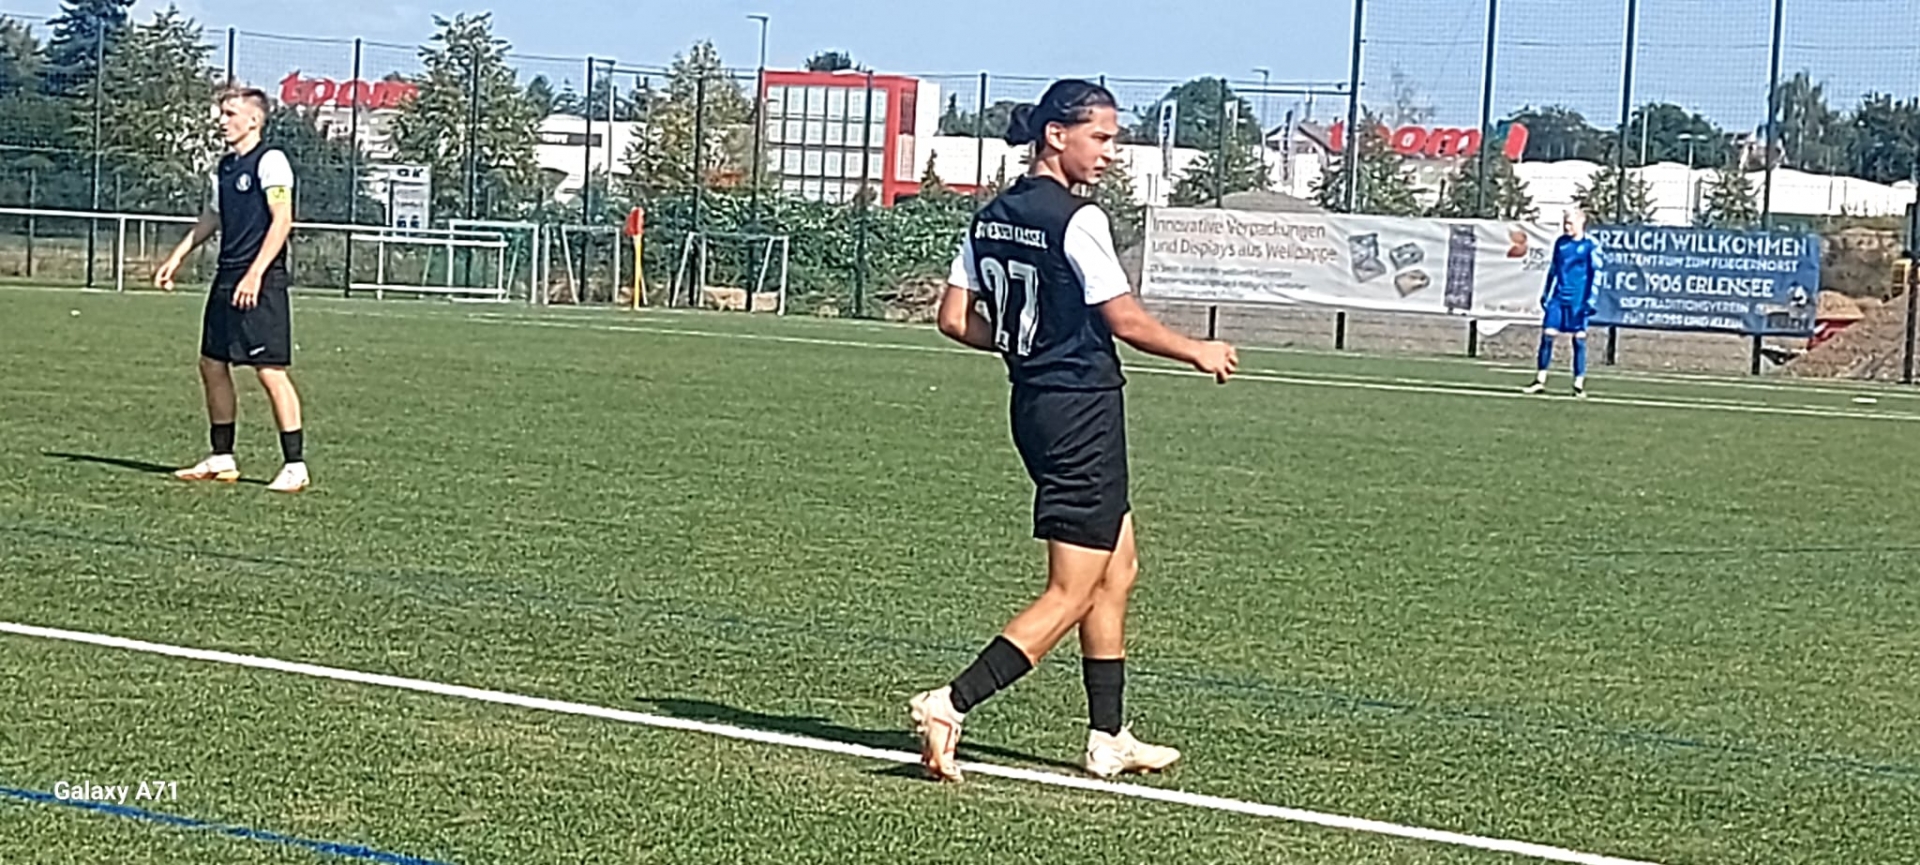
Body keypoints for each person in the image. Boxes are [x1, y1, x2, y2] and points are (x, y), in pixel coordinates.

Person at [909, 79, 1239, 783]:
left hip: (1035, 407)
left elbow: (953, 319)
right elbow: (1125, 319)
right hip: (1081, 412)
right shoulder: (1078, 218)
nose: (1110, 152)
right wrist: (1197, 349)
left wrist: (1023, 347)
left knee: (1117, 569)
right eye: (1101, 137)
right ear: (1056, 135)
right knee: (1071, 589)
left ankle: (1108, 735)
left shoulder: (991, 216)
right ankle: (950, 703)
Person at [157, 87, 308, 493]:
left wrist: (256, 273)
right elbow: (213, 217)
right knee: (211, 363)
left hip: (261, 280)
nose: (222, 121)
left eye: (230, 113)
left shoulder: (271, 161)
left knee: (269, 370)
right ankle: (221, 456)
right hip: (227, 277)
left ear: (254, 120)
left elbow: (282, 220)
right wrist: (177, 256)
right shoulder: (224, 168)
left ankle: (295, 465)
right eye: (221, 113)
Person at [1524, 208, 1603, 398]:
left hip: (1578, 301)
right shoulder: (1561, 243)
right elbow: (1553, 269)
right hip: (1559, 298)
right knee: (1548, 335)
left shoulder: (1590, 245)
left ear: (1581, 223)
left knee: (1579, 339)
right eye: (1565, 223)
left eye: (1570, 223)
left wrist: (1591, 299)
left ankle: (1578, 384)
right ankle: (1540, 380)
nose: (1566, 227)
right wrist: (1546, 293)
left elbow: (1596, 274)